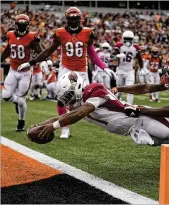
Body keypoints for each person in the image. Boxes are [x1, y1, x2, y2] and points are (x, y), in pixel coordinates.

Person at [29, 71, 169, 170]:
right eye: (64, 99)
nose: (67, 102)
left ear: (77, 87)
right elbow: (65, 114)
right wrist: (44, 124)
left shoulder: (94, 90)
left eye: (68, 96)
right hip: (133, 129)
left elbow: (80, 113)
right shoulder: (79, 100)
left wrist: (54, 126)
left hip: (142, 120)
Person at [18, 7, 115, 139]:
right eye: (71, 19)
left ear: (80, 19)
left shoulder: (88, 33)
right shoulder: (60, 33)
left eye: (76, 18)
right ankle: (64, 128)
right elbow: (48, 51)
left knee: (84, 102)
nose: (74, 21)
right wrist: (31, 63)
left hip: (82, 70)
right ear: (67, 19)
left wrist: (103, 67)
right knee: (61, 99)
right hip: (66, 68)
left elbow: (91, 52)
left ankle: (103, 119)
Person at [1, 14, 43, 131]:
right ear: (16, 24)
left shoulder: (32, 36)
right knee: (6, 96)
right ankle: (17, 101)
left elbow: (41, 52)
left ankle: (21, 122)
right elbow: (8, 49)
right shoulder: (10, 34)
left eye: (24, 24)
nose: (21, 27)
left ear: (27, 25)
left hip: (25, 72)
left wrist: (34, 62)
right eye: (20, 24)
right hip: (13, 70)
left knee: (21, 100)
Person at [112, 30, 143, 104]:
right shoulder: (119, 46)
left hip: (129, 71)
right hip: (120, 70)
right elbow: (111, 56)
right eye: (126, 38)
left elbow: (140, 58)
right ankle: (116, 104)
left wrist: (142, 68)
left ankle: (130, 105)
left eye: (129, 39)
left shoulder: (135, 47)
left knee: (130, 89)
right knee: (118, 90)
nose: (128, 41)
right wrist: (117, 56)